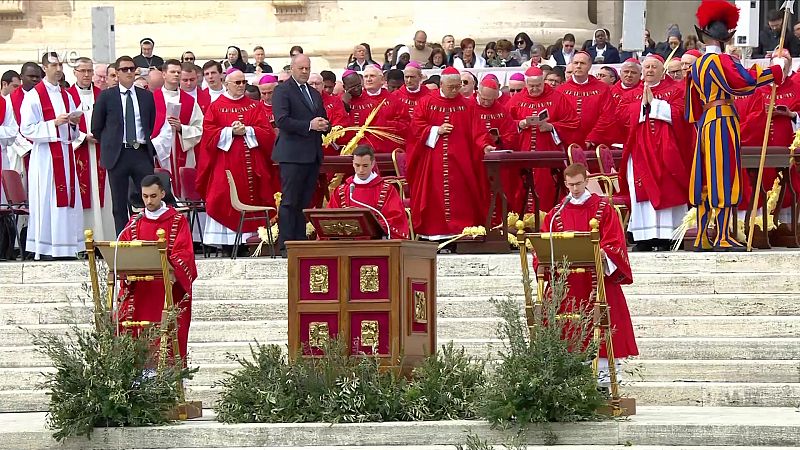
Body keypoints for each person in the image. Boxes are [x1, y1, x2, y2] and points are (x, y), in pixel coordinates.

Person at [687, 0, 786, 251]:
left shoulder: (696, 64)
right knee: (725, 176)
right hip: (722, 119)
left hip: (706, 122)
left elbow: (692, 106)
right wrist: (775, 70)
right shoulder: (721, 61)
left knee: (707, 178)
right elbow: (744, 82)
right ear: (724, 39)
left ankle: (702, 236)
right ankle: (721, 236)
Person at [539, 163, 638, 388]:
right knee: (567, 333)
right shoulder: (556, 214)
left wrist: (604, 252)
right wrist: (542, 259)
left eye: (578, 184)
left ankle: (603, 384)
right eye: (570, 185)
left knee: (602, 332)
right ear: (565, 184)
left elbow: (615, 241)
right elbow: (544, 245)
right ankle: (570, 383)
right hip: (567, 285)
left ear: (586, 180)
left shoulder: (604, 208)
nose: (574, 189)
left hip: (597, 281)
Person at [116, 175, 196, 363]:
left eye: (153, 196)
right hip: (141, 291)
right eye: (145, 197)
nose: (149, 201)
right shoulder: (135, 222)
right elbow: (124, 248)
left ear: (162, 193)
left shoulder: (177, 221)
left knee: (166, 341)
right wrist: (125, 272)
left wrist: (171, 269)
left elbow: (185, 253)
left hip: (167, 291)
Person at [196, 69, 278, 253]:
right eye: (237, 83)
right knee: (223, 196)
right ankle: (227, 244)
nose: (241, 86)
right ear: (227, 84)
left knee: (254, 195)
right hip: (225, 164)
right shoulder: (216, 106)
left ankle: (249, 242)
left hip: (252, 164)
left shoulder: (254, 106)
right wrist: (230, 132)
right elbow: (208, 134)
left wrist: (248, 130)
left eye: (243, 82)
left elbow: (267, 133)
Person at [408, 66, 494, 239]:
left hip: (461, 162)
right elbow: (416, 127)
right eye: (451, 87)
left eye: (458, 86)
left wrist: (485, 145)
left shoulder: (467, 104)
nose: (456, 90)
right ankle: (435, 235)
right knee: (434, 198)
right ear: (441, 84)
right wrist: (435, 130)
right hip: (433, 161)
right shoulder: (426, 102)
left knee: (461, 198)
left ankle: (461, 232)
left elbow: (478, 130)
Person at [618, 54, 691, 252]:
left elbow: (682, 115)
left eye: (654, 67)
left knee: (669, 189)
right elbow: (621, 115)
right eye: (647, 67)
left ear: (663, 71)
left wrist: (656, 104)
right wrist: (643, 104)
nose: (649, 70)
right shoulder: (632, 93)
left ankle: (670, 236)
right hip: (640, 151)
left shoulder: (675, 91)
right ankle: (645, 236)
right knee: (642, 192)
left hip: (668, 152)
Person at [19, 52, 84, 260]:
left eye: (61, 65)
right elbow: (26, 128)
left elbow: (75, 129)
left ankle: (68, 246)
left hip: (65, 151)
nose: (59, 69)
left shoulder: (67, 95)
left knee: (68, 199)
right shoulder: (34, 95)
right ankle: (47, 248)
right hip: (46, 155)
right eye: (54, 65)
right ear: (44, 68)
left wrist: (73, 124)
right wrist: (53, 124)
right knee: (48, 199)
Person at [271, 54, 329, 257]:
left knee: (304, 200)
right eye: (301, 68)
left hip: (312, 154)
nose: (304, 71)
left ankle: (301, 241)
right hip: (293, 154)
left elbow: (321, 116)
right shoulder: (282, 91)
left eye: (307, 68)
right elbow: (282, 120)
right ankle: (287, 243)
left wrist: (324, 125)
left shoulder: (314, 93)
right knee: (290, 200)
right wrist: (309, 125)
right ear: (292, 69)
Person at [92, 55, 157, 234]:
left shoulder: (145, 96)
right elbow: (96, 127)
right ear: (116, 73)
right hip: (118, 154)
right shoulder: (106, 96)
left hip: (140, 153)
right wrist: (111, 143)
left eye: (131, 69)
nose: (129, 72)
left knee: (149, 198)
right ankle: (123, 241)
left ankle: (150, 237)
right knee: (119, 203)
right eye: (124, 69)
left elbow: (149, 124)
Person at [738, 49, 800, 224]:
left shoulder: (797, 87)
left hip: (787, 143)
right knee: (762, 183)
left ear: (790, 64)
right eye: (778, 60)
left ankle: (787, 226)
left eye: (785, 59)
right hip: (761, 146)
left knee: (788, 186)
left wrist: (792, 115)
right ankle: (761, 225)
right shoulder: (758, 88)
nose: (782, 63)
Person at [509, 66, 579, 212]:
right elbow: (505, 124)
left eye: (538, 85)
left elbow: (573, 123)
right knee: (521, 191)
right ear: (526, 84)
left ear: (543, 82)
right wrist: (520, 124)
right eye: (531, 86)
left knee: (546, 191)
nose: (535, 89)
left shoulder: (557, 98)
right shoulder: (516, 100)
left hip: (547, 157)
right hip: (522, 154)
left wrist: (551, 127)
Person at [65, 57, 115, 241]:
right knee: (81, 193)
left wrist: (103, 134)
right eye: (82, 71)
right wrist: (82, 137)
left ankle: (103, 237)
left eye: (89, 71)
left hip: (101, 151)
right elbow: (64, 124)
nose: (86, 75)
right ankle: (80, 240)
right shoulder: (67, 95)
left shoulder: (102, 95)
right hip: (78, 151)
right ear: (75, 72)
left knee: (102, 195)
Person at [328, 145, 410, 239]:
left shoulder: (387, 189)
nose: (361, 170)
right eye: (357, 165)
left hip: (376, 245)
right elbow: (330, 219)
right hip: (347, 245)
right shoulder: (341, 191)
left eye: (365, 165)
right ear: (353, 163)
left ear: (373, 163)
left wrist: (370, 228)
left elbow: (395, 219)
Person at [151, 59, 203, 198]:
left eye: (178, 72)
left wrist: (182, 128)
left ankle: (184, 217)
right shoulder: (152, 98)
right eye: (172, 72)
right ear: (164, 74)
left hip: (183, 149)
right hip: (160, 151)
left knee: (183, 190)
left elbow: (200, 128)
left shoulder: (190, 101)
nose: (176, 75)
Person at [340, 66, 408, 154]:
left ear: (382, 79)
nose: (368, 79)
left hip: (385, 149)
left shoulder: (394, 100)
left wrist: (384, 125)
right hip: (357, 149)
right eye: (366, 76)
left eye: (372, 76)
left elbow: (405, 125)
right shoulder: (352, 99)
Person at [556, 51, 616, 147]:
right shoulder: (561, 90)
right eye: (576, 63)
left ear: (589, 66)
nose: (578, 66)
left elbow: (607, 116)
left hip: (595, 144)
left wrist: (593, 137)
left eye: (582, 63)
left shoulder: (602, 89)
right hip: (568, 143)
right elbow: (557, 117)